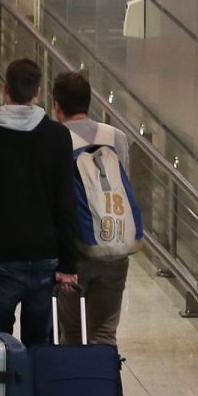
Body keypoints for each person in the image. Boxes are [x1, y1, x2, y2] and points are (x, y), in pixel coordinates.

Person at [0, 59, 80, 345]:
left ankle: (3, 392)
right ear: (38, 91)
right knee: (39, 347)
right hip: (46, 257)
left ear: (5, 89)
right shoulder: (58, 137)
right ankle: (35, 390)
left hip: (2, 258)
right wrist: (68, 263)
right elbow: (65, 203)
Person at [53, 71, 132, 346]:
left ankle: (74, 388)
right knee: (104, 333)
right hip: (115, 246)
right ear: (89, 102)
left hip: (76, 251)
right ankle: (106, 387)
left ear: (57, 106)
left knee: (73, 333)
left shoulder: (56, 138)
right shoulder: (116, 137)